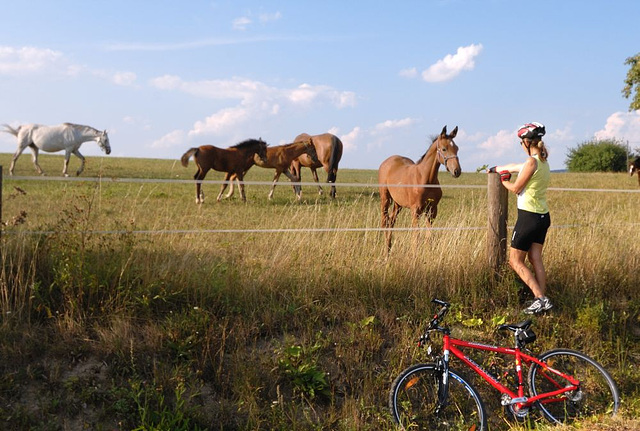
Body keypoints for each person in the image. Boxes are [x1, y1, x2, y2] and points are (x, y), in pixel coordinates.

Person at [488, 122, 552, 314]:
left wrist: (504, 181)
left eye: (521, 142)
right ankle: (544, 300)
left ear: (526, 141)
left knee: (515, 261)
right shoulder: (541, 161)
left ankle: (539, 298)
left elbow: (516, 189)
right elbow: (515, 166)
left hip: (528, 218)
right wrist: (495, 168)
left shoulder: (531, 162)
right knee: (535, 258)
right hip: (542, 217)